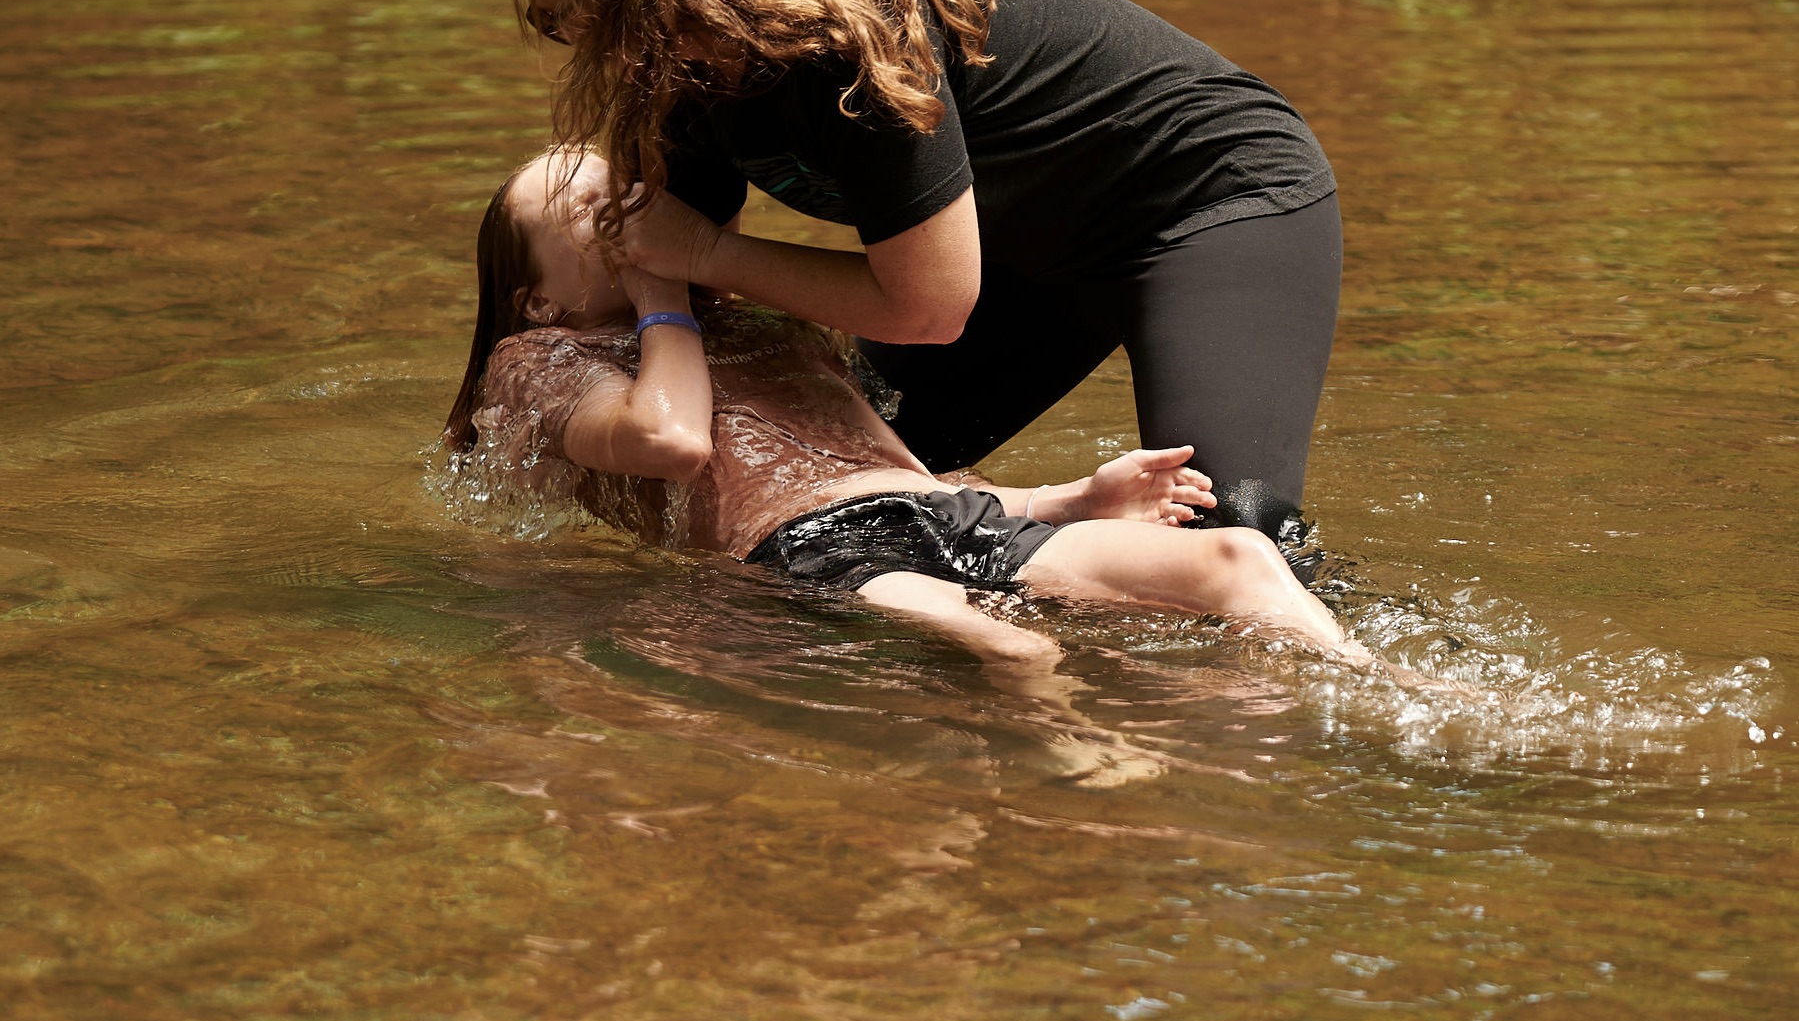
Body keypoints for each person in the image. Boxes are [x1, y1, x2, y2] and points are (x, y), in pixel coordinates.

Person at [484, 0, 1342, 565]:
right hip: (1010, 257)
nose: (555, 41)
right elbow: (674, 304)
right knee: (835, 498)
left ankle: (1371, 674)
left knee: (1235, 536)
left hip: (1202, 201)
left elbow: (925, 310)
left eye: (552, 17)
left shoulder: (843, 34)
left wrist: (708, 252)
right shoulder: (674, 77)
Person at [443, 151, 1364, 673]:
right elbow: (670, 443)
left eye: (623, 190)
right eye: (581, 205)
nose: (618, 206)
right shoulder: (539, 363)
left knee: (1237, 558)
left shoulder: (765, 329)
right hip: (801, 552)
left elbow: (897, 474)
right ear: (536, 299)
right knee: (1011, 650)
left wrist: (1070, 497)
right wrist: (661, 299)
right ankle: (1086, 769)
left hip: (921, 514)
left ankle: (1390, 698)